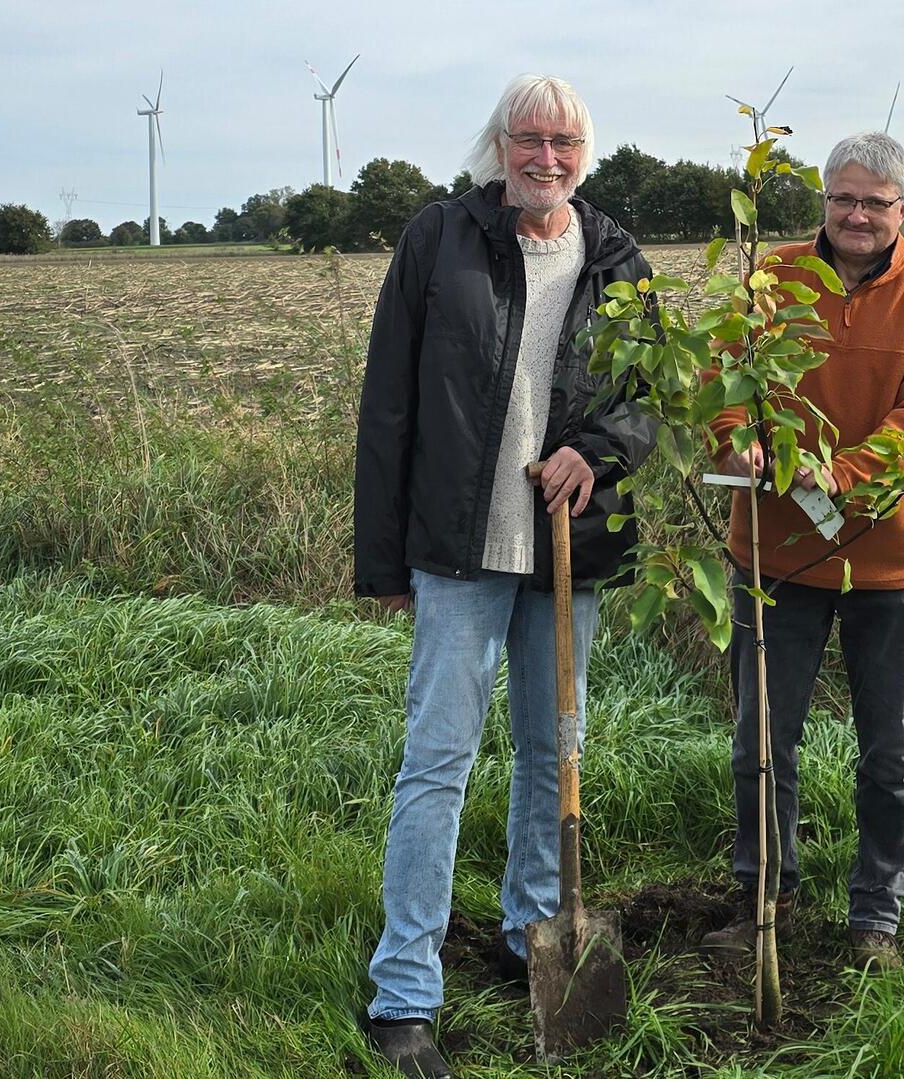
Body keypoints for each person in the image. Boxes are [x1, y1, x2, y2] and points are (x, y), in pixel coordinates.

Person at [354, 74, 653, 1079]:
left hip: (568, 557)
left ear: (586, 151)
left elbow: (644, 396)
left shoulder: (616, 258)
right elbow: (388, 405)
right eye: (529, 139)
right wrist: (381, 559)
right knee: (437, 763)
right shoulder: (440, 241)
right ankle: (404, 991)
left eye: (564, 141)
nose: (547, 157)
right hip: (458, 549)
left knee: (548, 752)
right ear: (500, 146)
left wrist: (597, 451)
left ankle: (535, 933)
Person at [699, 131, 904, 971]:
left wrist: (829, 474)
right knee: (761, 741)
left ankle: (875, 917)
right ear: (822, 201)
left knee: (891, 748)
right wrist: (735, 438)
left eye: (875, 202)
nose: (857, 215)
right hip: (774, 557)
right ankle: (763, 897)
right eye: (843, 198)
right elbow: (725, 382)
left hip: (894, 561)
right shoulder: (770, 279)